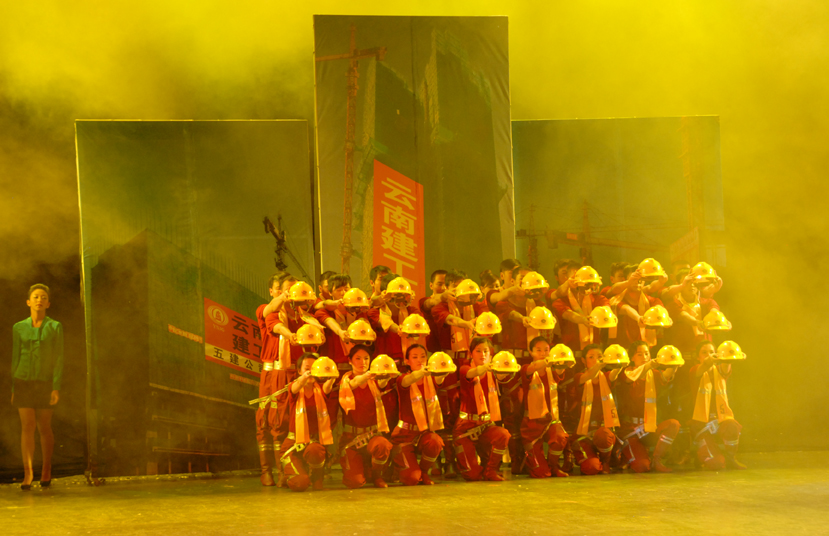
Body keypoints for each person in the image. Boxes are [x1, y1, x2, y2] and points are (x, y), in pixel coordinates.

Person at [11, 284, 63, 490]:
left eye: (43, 297)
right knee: (27, 426)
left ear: (48, 303)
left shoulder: (55, 326)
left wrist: (56, 386)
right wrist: (13, 387)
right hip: (23, 381)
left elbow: (59, 358)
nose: (39, 300)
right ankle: (28, 472)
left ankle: (46, 469)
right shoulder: (18, 327)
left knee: (44, 426)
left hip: (45, 382)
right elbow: (15, 357)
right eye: (35, 297)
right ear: (28, 302)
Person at [453, 341, 512, 481]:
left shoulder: (493, 372)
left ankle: (490, 471)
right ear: (471, 353)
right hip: (465, 428)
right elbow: (475, 372)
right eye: (478, 351)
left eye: (486, 351)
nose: (483, 354)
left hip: (485, 426)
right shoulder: (465, 369)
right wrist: (488, 366)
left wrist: (506, 365)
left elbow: (503, 376)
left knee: (503, 434)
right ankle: (464, 462)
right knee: (472, 476)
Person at [618, 342, 681, 473]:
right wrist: (649, 365)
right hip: (631, 430)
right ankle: (627, 455)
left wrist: (674, 361)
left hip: (650, 427)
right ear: (632, 358)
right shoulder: (627, 373)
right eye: (639, 354)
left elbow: (666, 375)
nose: (644, 357)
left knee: (673, 424)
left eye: (647, 353)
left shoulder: (654, 373)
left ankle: (657, 460)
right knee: (642, 467)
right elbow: (633, 377)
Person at [337, 346, 395, 488]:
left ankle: (376, 475)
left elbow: (383, 383)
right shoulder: (346, 381)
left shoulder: (375, 381)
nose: (362, 362)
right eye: (358, 358)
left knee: (382, 444)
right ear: (350, 361)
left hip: (372, 436)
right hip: (352, 439)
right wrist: (368, 375)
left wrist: (387, 374)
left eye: (366, 358)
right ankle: (362, 468)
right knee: (355, 482)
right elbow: (354, 383)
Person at [280, 353, 338, 491]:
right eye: (307, 368)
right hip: (294, 444)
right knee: (300, 483)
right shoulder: (294, 387)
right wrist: (304, 377)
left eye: (315, 368)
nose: (311, 371)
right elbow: (295, 386)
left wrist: (332, 375)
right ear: (299, 370)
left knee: (316, 450)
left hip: (313, 444)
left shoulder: (321, 390)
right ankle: (291, 474)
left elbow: (328, 387)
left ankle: (315, 475)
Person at [254, 272, 291, 486]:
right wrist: (284, 297)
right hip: (270, 373)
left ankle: (283, 471)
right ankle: (266, 471)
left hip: (288, 373)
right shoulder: (266, 310)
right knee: (265, 419)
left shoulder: (295, 314)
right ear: (272, 291)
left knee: (282, 421)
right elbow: (272, 313)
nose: (287, 294)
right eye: (281, 289)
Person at [567, 344, 626, 475]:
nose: (596, 360)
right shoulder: (579, 377)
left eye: (599, 357)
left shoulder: (606, 376)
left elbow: (615, 373)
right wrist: (599, 365)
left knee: (603, 434)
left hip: (603, 431)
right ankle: (595, 459)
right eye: (591, 357)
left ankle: (606, 461)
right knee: (591, 468)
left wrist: (620, 363)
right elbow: (588, 375)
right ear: (583, 360)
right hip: (585, 433)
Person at [391, 344, 445, 485]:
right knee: (411, 479)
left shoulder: (430, 379)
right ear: (407, 361)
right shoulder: (403, 378)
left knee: (435, 441)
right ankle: (400, 467)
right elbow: (409, 380)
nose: (420, 360)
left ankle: (424, 472)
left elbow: (440, 378)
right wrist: (423, 371)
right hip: (405, 435)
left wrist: (443, 370)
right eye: (415, 357)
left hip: (424, 433)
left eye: (423, 356)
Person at [689, 341, 746, 470]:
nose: (708, 355)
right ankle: (701, 455)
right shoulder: (695, 370)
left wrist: (733, 356)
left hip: (719, 420)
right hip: (702, 425)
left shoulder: (719, 370)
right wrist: (711, 359)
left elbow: (726, 364)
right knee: (716, 464)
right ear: (698, 357)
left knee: (731, 425)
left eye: (711, 352)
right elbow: (705, 365)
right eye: (704, 352)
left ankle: (731, 458)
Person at [520, 337, 571, 478]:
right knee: (541, 473)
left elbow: (560, 370)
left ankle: (554, 466)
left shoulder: (552, 370)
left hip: (551, 420)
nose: (543, 353)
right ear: (530, 352)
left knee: (560, 437)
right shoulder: (526, 369)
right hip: (532, 424)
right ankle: (536, 464)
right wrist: (550, 360)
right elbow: (533, 368)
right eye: (539, 350)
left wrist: (563, 359)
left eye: (546, 350)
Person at [551, 266, 610, 355]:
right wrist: (583, 320)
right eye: (575, 278)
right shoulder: (560, 301)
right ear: (568, 280)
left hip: (594, 355)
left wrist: (608, 313)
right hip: (569, 355)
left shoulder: (598, 299)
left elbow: (606, 309)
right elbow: (569, 315)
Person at [366, 275, 420, 364]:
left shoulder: (412, 311)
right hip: (383, 363)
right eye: (395, 293)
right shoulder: (374, 312)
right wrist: (401, 330)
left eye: (401, 293)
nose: (399, 296)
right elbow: (385, 324)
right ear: (385, 293)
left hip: (407, 362)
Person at [418, 269, 450, 353]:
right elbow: (430, 303)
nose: (443, 288)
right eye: (439, 284)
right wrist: (443, 297)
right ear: (431, 285)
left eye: (446, 284)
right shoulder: (424, 301)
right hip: (432, 350)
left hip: (452, 349)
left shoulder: (453, 304)